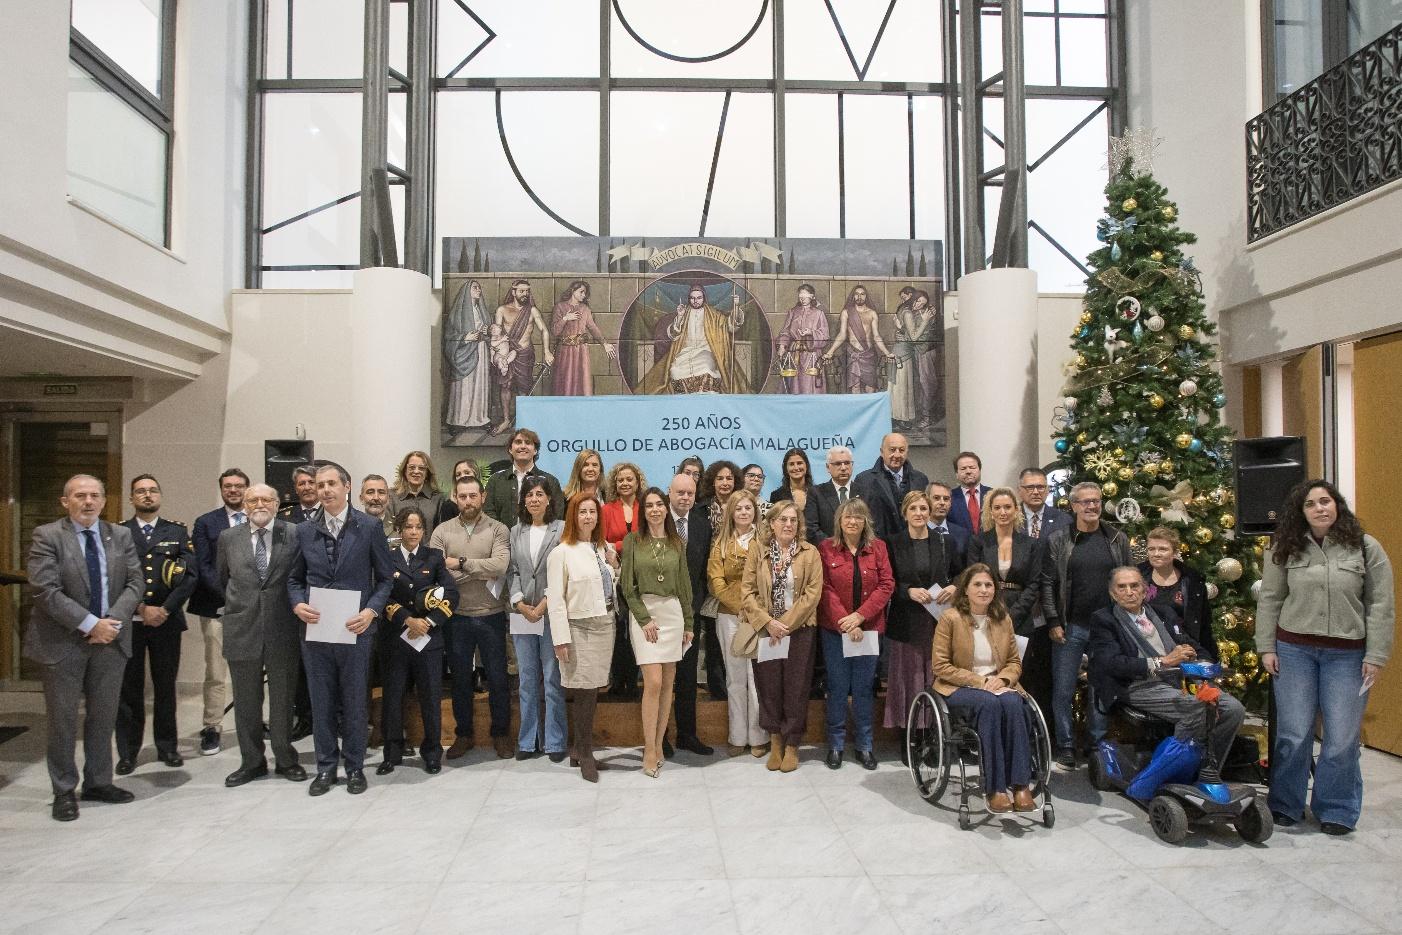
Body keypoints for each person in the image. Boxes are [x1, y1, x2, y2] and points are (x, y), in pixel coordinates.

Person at [1257, 480, 1394, 834]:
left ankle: (1336, 808)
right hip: (1294, 651)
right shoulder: (1285, 547)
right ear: (1300, 512)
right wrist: (1267, 647)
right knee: (1293, 732)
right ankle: (1285, 804)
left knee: (1342, 737)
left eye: (1325, 501)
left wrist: (1376, 655)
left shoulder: (1365, 547)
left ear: (1337, 505)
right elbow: (1270, 598)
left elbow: (1380, 604)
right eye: (1311, 504)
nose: (1319, 508)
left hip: (1347, 656)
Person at [26, 474, 143, 821]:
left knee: (103, 716)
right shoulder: (47, 536)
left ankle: (98, 782)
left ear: (104, 501)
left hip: (110, 640)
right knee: (62, 720)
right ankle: (64, 789)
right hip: (62, 643)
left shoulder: (119, 535)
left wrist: (111, 622)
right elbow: (45, 589)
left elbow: (135, 582)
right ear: (66, 502)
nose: (88, 501)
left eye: (94, 496)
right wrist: (91, 624)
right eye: (80, 496)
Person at [289, 462, 395, 796]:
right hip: (317, 631)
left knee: (354, 701)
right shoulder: (304, 530)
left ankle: (354, 767)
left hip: (355, 629)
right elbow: (293, 579)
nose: (324, 490)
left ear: (347, 487)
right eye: (320, 485)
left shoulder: (369, 526)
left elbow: (385, 579)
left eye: (331, 483)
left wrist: (371, 611)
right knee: (321, 701)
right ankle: (325, 768)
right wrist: (297, 603)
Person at [1089, 567, 1246, 793]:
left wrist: (1202, 661)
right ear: (1113, 593)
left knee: (1233, 709)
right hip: (1136, 684)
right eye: (1122, 587)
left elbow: (1190, 643)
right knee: (1196, 708)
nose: (1129, 592)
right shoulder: (1104, 619)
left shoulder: (1163, 613)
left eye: (1134, 586)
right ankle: (1166, 775)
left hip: (1178, 680)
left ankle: (1204, 771)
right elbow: (1112, 663)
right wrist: (1163, 661)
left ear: (1144, 590)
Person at [216, 484, 307, 786]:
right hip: (242, 628)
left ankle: (285, 758)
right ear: (244, 505)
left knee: (282, 699)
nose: (259, 504)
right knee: (246, 700)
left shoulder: (294, 533)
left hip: (283, 628)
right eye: (252, 499)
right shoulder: (228, 538)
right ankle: (251, 761)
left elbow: (301, 576)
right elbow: (222, 579)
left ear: (277, 504)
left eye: (266, 499)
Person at [933, 564, 1037, 813]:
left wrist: (1003, 680)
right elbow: (940, 666)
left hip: (998, 685)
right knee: (989, 704)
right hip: (960, 687)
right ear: (965, 590)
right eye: (977, 584)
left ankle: (1021, 785)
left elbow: (1014, 662)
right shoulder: (950, 618)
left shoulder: (1003, 619)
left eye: (989, 585)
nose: (984, 590)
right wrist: (979, 682)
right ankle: (996, 788)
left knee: (1014, 703)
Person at [1042, 481, 1131, 768]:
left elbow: (1129, 580)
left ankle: (1096, 744)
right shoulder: (1059, 539)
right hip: (1070, 626)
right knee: (1063, 689)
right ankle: (1066, 745)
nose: (1091, 506)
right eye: (1085, 502)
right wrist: (1053, 620)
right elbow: (1048, 583)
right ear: (1073, 506)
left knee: (1099, 688)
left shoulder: (1116, 538)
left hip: (1107, 629)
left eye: (1096, 501)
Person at [115, 474, 195, 773]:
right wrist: (139, 607)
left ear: (160, 496)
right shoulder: (119, 532)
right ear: (131, 498)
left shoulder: (176, 531)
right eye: (140, 491)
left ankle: (167, 747)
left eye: (152, 490)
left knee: (165, 687)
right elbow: (114, 577)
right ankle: (128, 752)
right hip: (129, 622)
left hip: (166, 622)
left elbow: (190, 576)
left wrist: (165, 609)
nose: (147, 495)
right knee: (129, 689)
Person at [429, 475, 512, 760]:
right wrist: (477, 571)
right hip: (456, 617)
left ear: (482, 497)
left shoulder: (498, 529)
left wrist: (460, 563)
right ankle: (463, 735)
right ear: (455, 497)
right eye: (462, 496)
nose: (468, 501)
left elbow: (499, 566)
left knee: (498, 679)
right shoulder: (442, 531)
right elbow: (439, 574)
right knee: (460, 680)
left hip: (492, 615)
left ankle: (501, 734)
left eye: (473, 496)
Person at [738, 500, 822, 772]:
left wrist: (784, 624)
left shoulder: (810, 553)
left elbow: (812, 594)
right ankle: (775, 740)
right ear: (772, 523)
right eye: (783, 519)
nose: (788, 524)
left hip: (799, 631)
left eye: (793, 520)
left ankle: (793, 744)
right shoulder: (758, 550)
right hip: (766, 630)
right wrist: (768, 622)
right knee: (769, 686)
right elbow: (747, 592)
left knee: (796, 688)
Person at [377, 507, 458, 776]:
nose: (413, 532)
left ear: (424, 530)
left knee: (431, 698)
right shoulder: (387, 558)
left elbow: (451, 594)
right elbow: (382, 594)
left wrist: (429, 621)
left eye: (418, 527)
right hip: (395, 640)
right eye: (408, 527)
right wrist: (406, 619)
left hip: (428, 641)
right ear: (399, 529)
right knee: (393, 698)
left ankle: (432, 752)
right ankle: (392, 752)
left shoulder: (434, 558)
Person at [620, 487, 695, 776]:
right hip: (645, 614)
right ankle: (649, 749)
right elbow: (627, 586)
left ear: (666, 509)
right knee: (652, 681)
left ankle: (659, 743)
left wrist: (688, 622)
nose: (654, 509)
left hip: (673, 614)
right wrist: (644, 619)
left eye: (659, 505)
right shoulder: (633, 540)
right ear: (643, 510)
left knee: (667, 684)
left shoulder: (677, 542)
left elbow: (685, 585)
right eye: (649, 505)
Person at [818, 498, 895, 770]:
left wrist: (860, 617)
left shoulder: (878, 548)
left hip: (869, 630)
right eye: (848, 517)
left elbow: (886, 585)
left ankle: (865, 745)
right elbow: (824, 587)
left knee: (863, 689)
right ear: (839, 521)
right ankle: (836, 745)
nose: (853, 521)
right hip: (835, 630)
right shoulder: (826, 548)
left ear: (865, 522)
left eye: (858, 517)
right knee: (837, 687)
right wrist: (846, 622)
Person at [547, 492, 618, 782]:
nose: (588, 517)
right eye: (582, 512)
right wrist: (560, 638)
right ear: (573, 517)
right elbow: (556, 600)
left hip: (605, 624)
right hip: (579, 628)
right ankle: (585, 752)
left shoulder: (602, 548)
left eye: (592, 512)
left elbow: (608, 586)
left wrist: (614, 564)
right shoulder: (562, 552)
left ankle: (579, 748)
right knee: (584, 691)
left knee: (593, 689)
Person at [885, 491, 957, 758]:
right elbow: (886, 582)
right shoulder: (892, 543)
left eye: (923, 508)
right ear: (904, 513)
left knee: (935, 678)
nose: (919, 513)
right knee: (909, 680)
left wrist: (954, 586)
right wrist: (908, 591)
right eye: (913, 508)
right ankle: (910, 738)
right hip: (906, 623)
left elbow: (960, 573)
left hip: (937, 621)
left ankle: (933, 736)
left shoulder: (944, 541)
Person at [189, 467, 251, 757]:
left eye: (239, 486)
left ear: (247, 488)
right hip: (217, 606)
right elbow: (203, 566)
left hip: (253, 610)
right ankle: (212, 726)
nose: (233, 490)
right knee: (216, 671)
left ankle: (252, 723)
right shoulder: (206, 522)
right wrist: (230, 597)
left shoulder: (259, 519)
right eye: (228, 486)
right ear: (222, 489)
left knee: (251, 670)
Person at [506, 477, 567, 761]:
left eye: (539, 494)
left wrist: (544, 603)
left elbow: (563, 571)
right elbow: (513, 571)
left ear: (549, 499)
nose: (534, 499)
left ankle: (555, 742)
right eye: (529, 495)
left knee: (552, 679)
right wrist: (520, 603)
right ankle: (528, 741)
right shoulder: (515, 531)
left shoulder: (561, 529)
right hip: (522, 614)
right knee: (527, 680)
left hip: (550, 613)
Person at [708, 490, 767, 756]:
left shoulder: (765, 540)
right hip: (729, 616)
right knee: (735, 678)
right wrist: (739, 606)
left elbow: (770, 578)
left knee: (756, 678)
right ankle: (737, 736)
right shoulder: (720, 543)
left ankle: (758, 736)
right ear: (731, 513)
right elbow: (716, 582)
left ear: (755, 511)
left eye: (748, 508)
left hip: (759, 616)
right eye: (739, 508)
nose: (744, 512)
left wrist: (753, 609)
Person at [665, 473, 715, 756]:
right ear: (669, 493)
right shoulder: (658, 519)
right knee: (662, 678)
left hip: (690, 613)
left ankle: (687, 735)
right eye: (680, 493)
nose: (685, 498)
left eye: (690, 493)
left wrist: (695, 605)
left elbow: (704, 568)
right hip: (661, 612)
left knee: (687, 676)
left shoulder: (701, 524)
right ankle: (660, 737)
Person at [640, 282, 747, 394]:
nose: (695, 301)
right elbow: (673, 335)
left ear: (704, 298)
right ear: (689, 299)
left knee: (706, 367)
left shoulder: (713, 315)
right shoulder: (684, 313)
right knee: (675, 371)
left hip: (705, 352)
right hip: (685, 353)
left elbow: (730, 326)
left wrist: (736, 306)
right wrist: (680, 317)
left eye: (699, 298)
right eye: (692, 298)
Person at [277, 463, 320, 741]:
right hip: (296, 601)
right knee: (301, 665)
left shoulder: (333, 513)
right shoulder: (284, 519)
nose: (306, 487)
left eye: (311, 482)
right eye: (301, 483)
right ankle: (305, 717)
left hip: (327, 599)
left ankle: (332, 716)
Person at [967, 488, 1045, 635]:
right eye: (997, 508)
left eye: (1007, 507)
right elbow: (972, 579)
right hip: (985, 610)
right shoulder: (978, 541)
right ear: (991, 512)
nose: (1003, 512)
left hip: (1021, 614)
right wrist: (989, 611)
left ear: (1016, 510)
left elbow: (1034, 584)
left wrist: (1012, 615)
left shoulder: (1031, 544)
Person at [1138, 526, 1217, 661]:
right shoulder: (1137, 577)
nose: (1156, 553)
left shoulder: (1193, 581)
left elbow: (1204, 624)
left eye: (1163, 549)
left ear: (1174, 552)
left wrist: (1209, 659)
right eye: (1151, 549)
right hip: (1147, 647)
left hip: (1185, 647)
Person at [602, 461, 645, 699]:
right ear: (615, 484)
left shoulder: (646, 507)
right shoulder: (607, 510)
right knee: (619, 629)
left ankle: (635, 680)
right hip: (615, 574)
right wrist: (626, 546)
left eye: (629, 479)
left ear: (637, 482)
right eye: (620, 480)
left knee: (639, 626)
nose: (625, 483)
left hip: (642, 576)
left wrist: (619, 546)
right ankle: (619, 680)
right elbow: (602, 543)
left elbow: (647, 539)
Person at [490, 279, 554, 436]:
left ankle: (524, 421)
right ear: (513, 292)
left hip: (525, 354)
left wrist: (546, 351)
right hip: (506, 353)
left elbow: (544, 330)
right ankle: (506, 420)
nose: (525, 294)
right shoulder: (502, 310)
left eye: (527, 291)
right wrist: (495, 354)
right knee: (505, 386)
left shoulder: (532, 311)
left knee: (524, 388)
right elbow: (496, 334)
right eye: (521, 291)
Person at [851, 433, 929, 542]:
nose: (897, 455)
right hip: (878, 544)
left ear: (907, 452)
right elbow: (860, 515)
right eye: (892, 450)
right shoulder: (864, 480)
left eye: (901, 450)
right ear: (882, 451)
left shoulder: (920, 479)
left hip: (913, 543)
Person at [483, 428, 565, 527]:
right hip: (502, 536)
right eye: (518, 442)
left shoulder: (550, 481)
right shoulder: (495, 481)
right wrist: (503, 534)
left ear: (535, 450)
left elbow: (557, 515)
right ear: (510, 449)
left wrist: (537, 533)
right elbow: (487, 512)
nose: (523, 446)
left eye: (528, 443)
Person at [822, 284, 893, 394]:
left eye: (862, 294)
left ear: (866, 296)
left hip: (869, 355)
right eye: (857, 294)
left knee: (870, 386)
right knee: (855, 385)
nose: (859, 297)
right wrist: (830, 352)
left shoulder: (872, 313)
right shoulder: (846, 312)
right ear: (853, 296)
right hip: (853, 354)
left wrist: (887, 353)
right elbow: (842, 334)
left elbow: (876, 336)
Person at [443, 278, 492, 434]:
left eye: (479, 287)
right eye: (475, 288)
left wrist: (486, 331)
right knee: (464, 387)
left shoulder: (481, 310)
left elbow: (488, 331)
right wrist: (465, 338)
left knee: (479, 385)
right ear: (467, 291)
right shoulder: (457, 313)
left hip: (481, 350)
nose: (479, 290)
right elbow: (449, 336)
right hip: (463, 354)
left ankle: (479, 418)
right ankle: (458, 421)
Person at [551, 279, 617, 396]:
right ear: (573, 290)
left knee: (582, 381)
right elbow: (555, 332)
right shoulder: (560, 307)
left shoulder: (585, 309)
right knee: (565, 380)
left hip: (581, 351)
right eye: (581, 292)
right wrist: (565, 318)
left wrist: (604, 344)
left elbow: (593, 328)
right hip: (565, 351)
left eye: (585, 293)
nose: (584, 295)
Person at [776, 283, 829, 394]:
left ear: (812, 296)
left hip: (811, 355)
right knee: (793, 385)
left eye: (805, 296)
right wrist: (782, 346)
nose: (803, 299)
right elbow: (786, 331)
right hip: (794, 354)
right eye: (801, 296)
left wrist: (811, 332)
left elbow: (825, 335)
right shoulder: (793, 312)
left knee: (809, 385)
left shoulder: (819, 314)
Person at [804, 445, 854, 544]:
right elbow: (811, 528)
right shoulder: (816, 493)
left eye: (847, 463)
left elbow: (872, 525)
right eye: (838, 464)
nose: (843, 468)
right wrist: (834, 546)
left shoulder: (865, 491)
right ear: (828, 467)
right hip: (829, 551)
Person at [388, 451, 445, 537]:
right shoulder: (392, 496)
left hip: (430, 545)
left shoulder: (438, 498)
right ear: (405, 471)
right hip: (399, 545)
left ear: (427, 472)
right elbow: (389, 530)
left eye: (421, 468)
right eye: (412, 467)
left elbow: (441, 532)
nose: (416, 471)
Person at [1018, 467, 1071, 540]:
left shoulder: (1063, 519)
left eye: (1040, 487)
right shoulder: (1010, 518)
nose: (1036, 492)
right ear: (1019, 490)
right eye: (1030, 487)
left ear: (1048, 490)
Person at [946, 451, 990, 534]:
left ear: (979, 470)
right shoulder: (948, 497)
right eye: (963, 469)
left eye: (972, 467)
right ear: (956, 474)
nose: (968, 471)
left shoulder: (992, 494)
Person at [926, 481, 970, 558]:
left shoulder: (962, 534)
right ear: (927, 500)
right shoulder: (917, 532)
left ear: (950, 503)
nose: (942, 503)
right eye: (936, 498)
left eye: (946, 499)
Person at [434, 459, 480, 529]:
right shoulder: (449, 506)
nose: (462, 476)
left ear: (476, 475)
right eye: (458, 474)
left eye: (467, 472)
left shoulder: (487, 501)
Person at [699, 459, 740, 534]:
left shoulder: (742, 505)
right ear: (713, 482)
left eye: (729, 478)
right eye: (720, 479)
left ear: (735, 481)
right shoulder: (701, 509)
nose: (725, 483)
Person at [770, 447, 814, 514]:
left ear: (806, 466)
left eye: (799, 463)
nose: (796, 468)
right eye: (791, 464)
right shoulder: (776, 495)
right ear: (786, 469)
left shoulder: (818, 494)